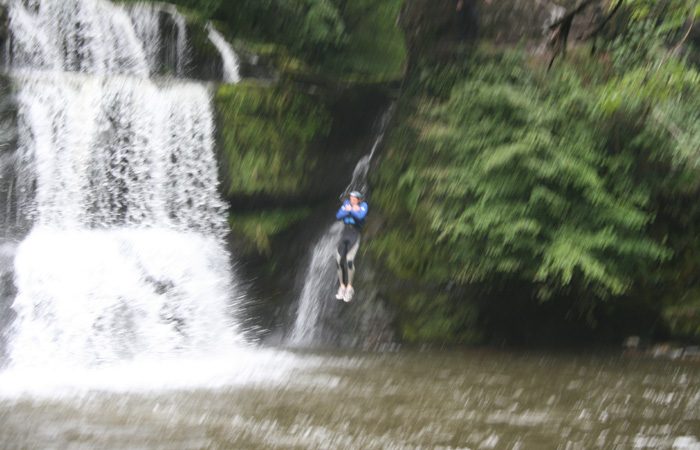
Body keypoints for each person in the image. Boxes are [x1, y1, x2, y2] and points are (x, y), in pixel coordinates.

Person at [335, 191, 368, 302]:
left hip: (354, 235)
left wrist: (350, 210)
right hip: (344, 234)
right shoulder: (346, 204)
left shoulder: (364, 205)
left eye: (354, 199)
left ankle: (349, 287)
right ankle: (342, 287)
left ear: (359, 200)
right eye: (351, 198)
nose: (352, 200)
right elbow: (338, 215)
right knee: (339, 261)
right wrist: (351, 210)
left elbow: (361, 216)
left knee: (349, 261)